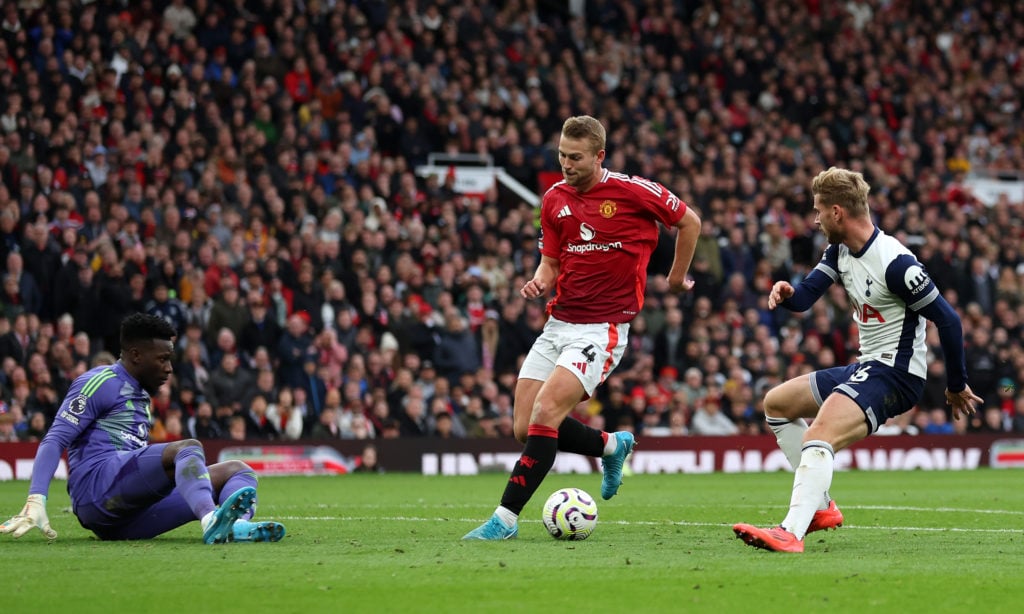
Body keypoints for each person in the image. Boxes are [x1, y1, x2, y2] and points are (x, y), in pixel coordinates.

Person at [463, 115, 701, 539]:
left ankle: (505, 519)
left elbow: (690, 221)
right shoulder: (554, 199)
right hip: (558, 324)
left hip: (601, 329)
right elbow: (551, 260)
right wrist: (541, 279)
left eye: (575, 157)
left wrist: (677, 277)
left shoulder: (633, 191)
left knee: (546, 413)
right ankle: (611, 446)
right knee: (524, 427)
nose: (566, 164)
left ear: (599, 156)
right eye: (561, 155)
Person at [732, 167, 981, 553]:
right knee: (777, 404)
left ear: (837, 213)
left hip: (897, 375)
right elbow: (806, 297)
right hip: (868, 366)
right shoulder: (840, 250)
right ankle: (820, 506)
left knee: (819, 435)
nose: (814, 219)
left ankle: (791, 531)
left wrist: (955, 384)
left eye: (817, 211)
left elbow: (948, 319)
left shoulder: (896, 264)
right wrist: (787, 293)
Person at [0, 313, 286, 544]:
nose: (169, 368)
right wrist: (36, 498)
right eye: (163, 359)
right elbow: (55, 439)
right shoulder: (100, 381)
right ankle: (211, 519)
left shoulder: (140, 396)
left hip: (127, 517)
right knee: (188, 449)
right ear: (136, 355)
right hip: (97, 492)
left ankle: (236, 527)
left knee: (238, 471)